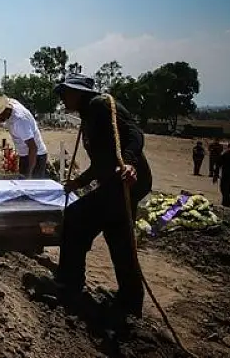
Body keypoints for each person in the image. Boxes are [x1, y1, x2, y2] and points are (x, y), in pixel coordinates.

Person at [50, 74, 153, 319]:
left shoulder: (101, 105)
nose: (62, 98)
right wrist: (78, 182)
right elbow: (101, 163)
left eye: (65, 92)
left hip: (126, 182)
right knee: (119, 237)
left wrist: (129, 162)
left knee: (75, 218)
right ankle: (130, 301)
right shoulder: (88, 116)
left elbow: (135, 133)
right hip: (116, 184)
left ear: (78, 93)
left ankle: (69, 284)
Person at [0, 94, 48, 178]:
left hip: (35, 157)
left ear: (3, 111)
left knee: (31, 184)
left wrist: (29, 174)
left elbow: (33, 147)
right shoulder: (11, 103)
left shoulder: (19, 122)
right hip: (26, 155)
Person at [214, 143, 230, 208]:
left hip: (226, 176)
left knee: (225, 192)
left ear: (228, 147)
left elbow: (218, 165)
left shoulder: (224, 155)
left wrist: (216, 175)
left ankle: (226, 205)